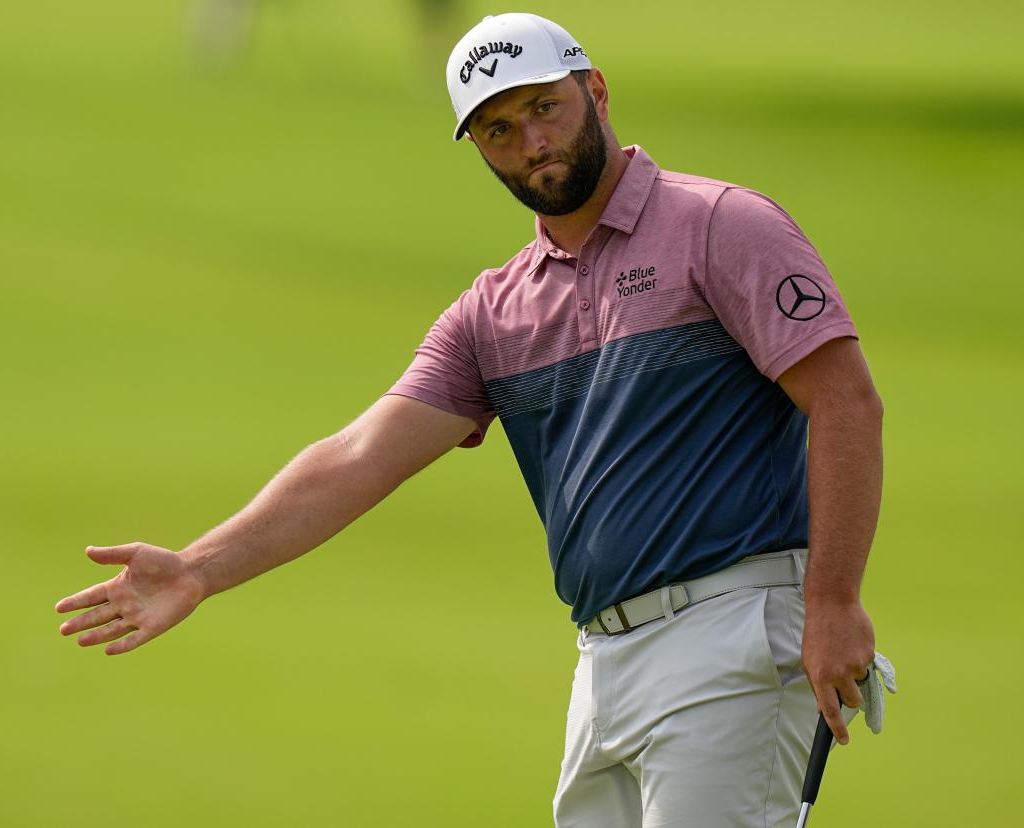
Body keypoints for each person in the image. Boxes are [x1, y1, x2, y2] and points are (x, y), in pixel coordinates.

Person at [56, 13, 888, 827]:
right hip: (604, 662)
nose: (529, 141)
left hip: (733, 637)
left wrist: (835, 600)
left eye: (543, 108)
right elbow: (358, 456)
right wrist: (200, 569)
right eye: (496, 129)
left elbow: (846, 401)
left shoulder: (720, 226)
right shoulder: (494, 313)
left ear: (595, 90)